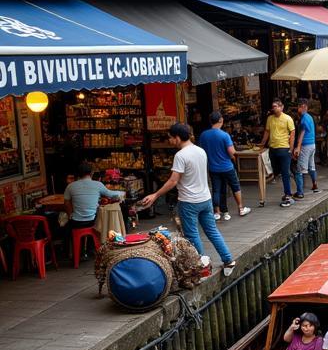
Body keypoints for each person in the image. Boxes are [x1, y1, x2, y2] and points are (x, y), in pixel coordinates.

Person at [139, 122, 235, 277]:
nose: (169, 141)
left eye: (170, 138)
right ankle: (228, 259)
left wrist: (155, 195)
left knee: (192, 235)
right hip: (205, 198)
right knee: (212, 231)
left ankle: (200, 266)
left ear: (177, 138)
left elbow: (173, 181)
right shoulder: (200, 151)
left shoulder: (181, 155)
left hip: (189, 201)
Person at [198, 111, 251, 221]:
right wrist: (234, 160)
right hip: (227, 166)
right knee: (235, 186)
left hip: (212, 167)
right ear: (220, 120)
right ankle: (241, 208)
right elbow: (232, 152)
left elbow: (202, 150)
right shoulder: (224, 135)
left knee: (216, 189)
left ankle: (216, 212)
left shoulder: (203, 135)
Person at [63, 162, 125, 249]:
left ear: (78, 174)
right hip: (93, 221)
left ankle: (72, 250)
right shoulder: (97, 185)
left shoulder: (70, 186)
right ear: (92, 173)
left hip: (76, 223)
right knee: (103, 217)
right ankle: (96, 246)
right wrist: (123, 193)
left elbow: (66, 203)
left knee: (65, 226)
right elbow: (111, 194)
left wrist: (70, 215)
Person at [259, 98, 296, 208]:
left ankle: (288, 194)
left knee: (285, 172)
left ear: (281, 107)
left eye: (276, 106)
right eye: (273, 106)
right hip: (273, 148)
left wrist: (291, 148)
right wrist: (262, 144)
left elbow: (292, 133)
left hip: (284, 148)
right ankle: (288, 191)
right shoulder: (270, 118)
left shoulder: (287, 118)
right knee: (274, 171)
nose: (274, 108)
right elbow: (267, 131)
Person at [293, 98, 317, 198]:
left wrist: (298, 147)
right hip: (312, 144)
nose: (297, 108)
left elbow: (302, 133)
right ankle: (315, 184)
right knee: (311, 166)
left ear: (303, 107)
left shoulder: (304, 119)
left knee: (299, 170)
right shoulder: (309, 117)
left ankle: (300, 192)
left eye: (299, 106)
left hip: (306, 145)